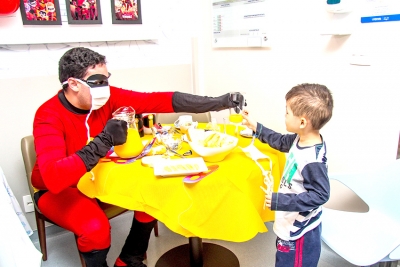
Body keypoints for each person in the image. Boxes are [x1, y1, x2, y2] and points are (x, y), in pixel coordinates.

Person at [31, 47, 243, 267]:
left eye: (106, 79)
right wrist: (103, 141)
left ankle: (129, 258)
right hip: (58, 189)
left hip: (98, 176)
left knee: (151, 194)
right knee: (95, 228)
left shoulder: (108, 99)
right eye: (97, 81)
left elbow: (160, 100)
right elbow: (54, 177)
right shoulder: (48, 115)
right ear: (73, 83)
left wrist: (219, 102)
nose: (105, 87)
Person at [241, 83, 333, 267]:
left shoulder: (312, 160)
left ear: (302, 122)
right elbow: (280, 141)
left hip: (300, 232)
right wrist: (256, 126)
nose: (284, 115)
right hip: (289, 222)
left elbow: (321, 194)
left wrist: (280, 201)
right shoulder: (302, 139)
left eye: (287, 112)